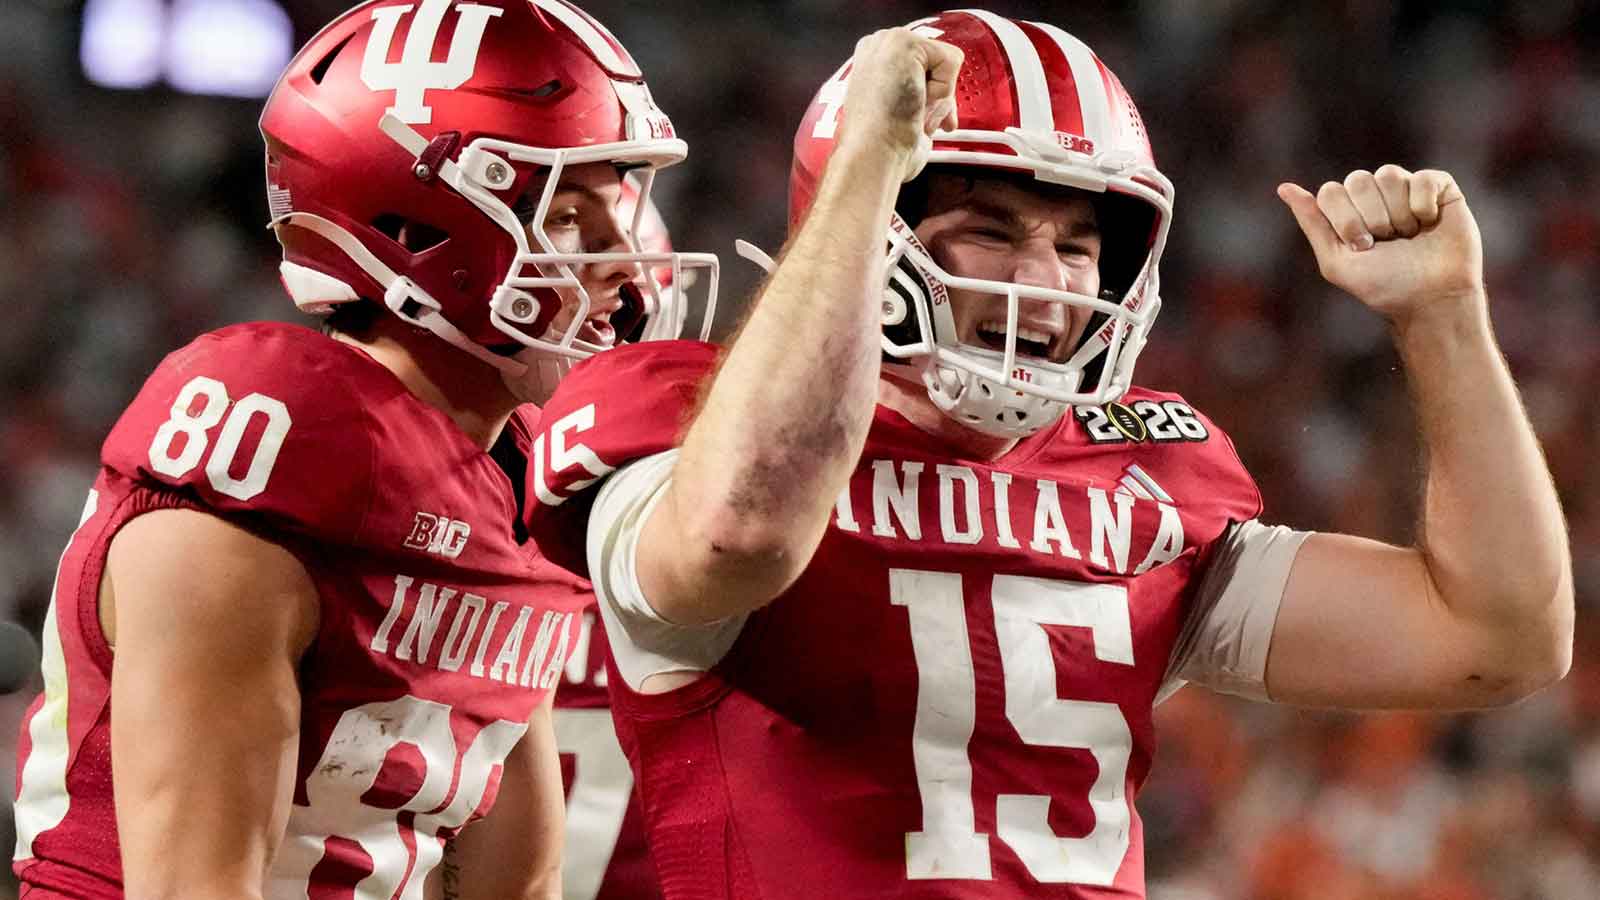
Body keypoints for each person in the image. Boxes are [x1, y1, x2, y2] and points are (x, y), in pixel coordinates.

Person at [520, 9, 1574, 899]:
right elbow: (735, 532)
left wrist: (1443, 320)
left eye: (1076, 244)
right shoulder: (686, 421)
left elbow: (1498, 636)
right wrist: (867, 167)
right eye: (992, 229)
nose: (1047, 281)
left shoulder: (1142, 478)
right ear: (868, 217)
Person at [10, 1, 713, 897]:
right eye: (572, 217)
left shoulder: (519, 475)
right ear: (413, 228)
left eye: (619, 211)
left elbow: (514, 880)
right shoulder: (278, 443)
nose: (623, 263)